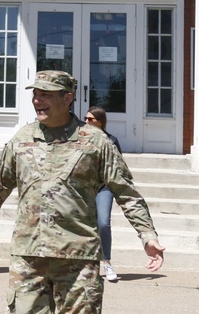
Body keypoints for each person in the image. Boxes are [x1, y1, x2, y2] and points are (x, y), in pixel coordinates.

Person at [0, 70, 165, 314]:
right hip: (29, 257)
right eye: (36, 94)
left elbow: (126, 192)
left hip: (78, 257)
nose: (37, 101)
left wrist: (147, 235)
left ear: (68, 98)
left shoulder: (96, 141)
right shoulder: (22, 139)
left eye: (46, 95)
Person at [86, 105, 121, 283]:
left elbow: (119, 168)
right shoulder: (79, 139)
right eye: (86, 119)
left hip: (104, 187)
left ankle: (106, 261)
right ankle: (87, 264)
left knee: (103, 223)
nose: (87, 122)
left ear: (100, 122)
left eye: (91, 119)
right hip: (84, 188)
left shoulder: (112, 141)